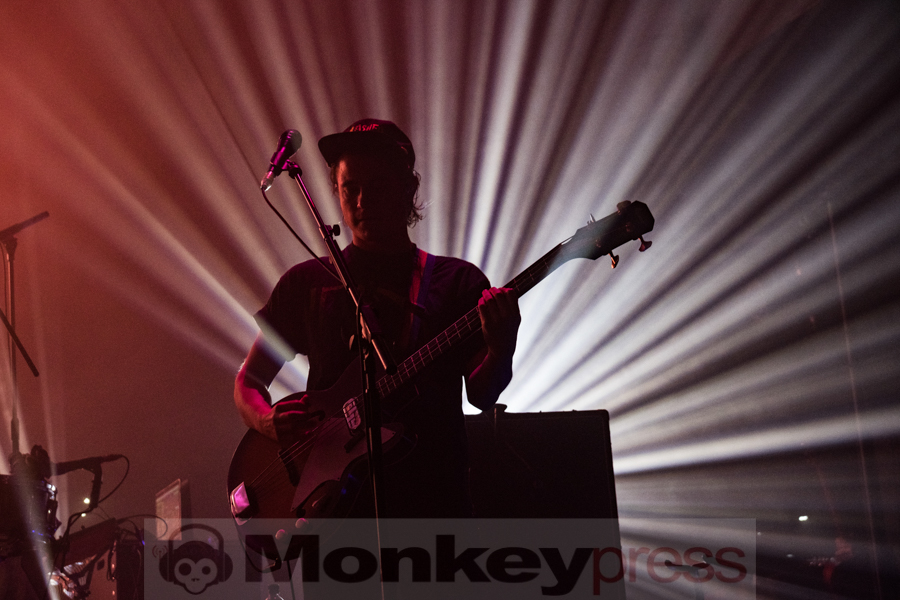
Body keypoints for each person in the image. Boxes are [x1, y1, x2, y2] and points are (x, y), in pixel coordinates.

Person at [233, 119, 520, 518]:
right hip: (334, 518)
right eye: (351, 187)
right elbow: (249, 380)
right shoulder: (307, 284)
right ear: (336, 191)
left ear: (408, 190)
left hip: (434, 508)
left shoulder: (457, 282)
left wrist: (502, 348)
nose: (363, 200)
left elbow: (481, 395)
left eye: (379, 185)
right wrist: (265, 422)